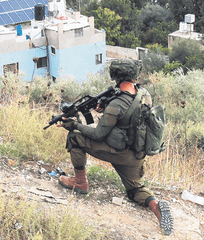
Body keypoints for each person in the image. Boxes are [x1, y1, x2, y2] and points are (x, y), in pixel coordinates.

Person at [56, 58, 173, 236]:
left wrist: (73, 125)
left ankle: (80, 183)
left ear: (116, 76)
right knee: (135, 190)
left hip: (117, 152)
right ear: (134, 75)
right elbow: (130, 118)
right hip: (137, 154)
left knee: (75, 137)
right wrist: (105, 110)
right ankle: (155, 205)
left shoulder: (116, 104)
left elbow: (97, 135)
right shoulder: (144, 94)